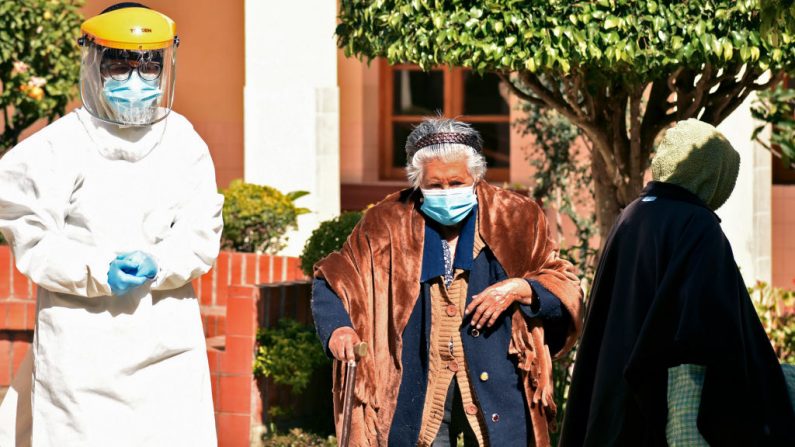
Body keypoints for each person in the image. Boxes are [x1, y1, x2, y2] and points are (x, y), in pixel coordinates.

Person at [0, 3, 222, 445]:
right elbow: (31, 234)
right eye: (119, 67)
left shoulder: (182, 143)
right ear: (94, 64)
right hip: (81, 347)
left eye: (148, 67)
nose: (135, 82)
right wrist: (97, 269)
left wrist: (160, 261)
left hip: (165, 345)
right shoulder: (56, 148)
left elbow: (202, 231)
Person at [311, 118, 583, 446]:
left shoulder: (517, 216)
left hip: (499, 389)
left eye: (456, 183)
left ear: (476, 177)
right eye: (434, 186)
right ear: (417, 183)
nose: (446, 192)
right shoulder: (386, 221)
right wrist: (339, 329)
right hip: (414, 392)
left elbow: (563, 284)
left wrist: (520, 288)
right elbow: (332, 279)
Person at [559, 119, 795, 446]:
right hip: (661, 408)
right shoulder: (699, 226)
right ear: (715, 176)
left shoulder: (631, 215)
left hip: (614, 401)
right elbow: (711, 329)